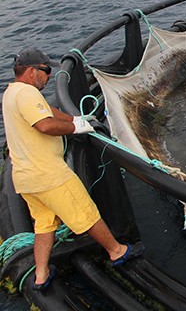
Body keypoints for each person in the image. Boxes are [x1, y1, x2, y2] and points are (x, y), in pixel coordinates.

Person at [2, 48, 144, 292]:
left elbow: (49, 112)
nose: (47, 77)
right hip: (49, 175)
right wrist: (76, 130)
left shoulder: (11, 93)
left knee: (45, 225)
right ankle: (116, 251)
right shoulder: (26, 93)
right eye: (45, 71)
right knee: (85, 213)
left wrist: (76, 119)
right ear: (31, 71)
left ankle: (41, 275)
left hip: (26, 178)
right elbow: (45, 125)